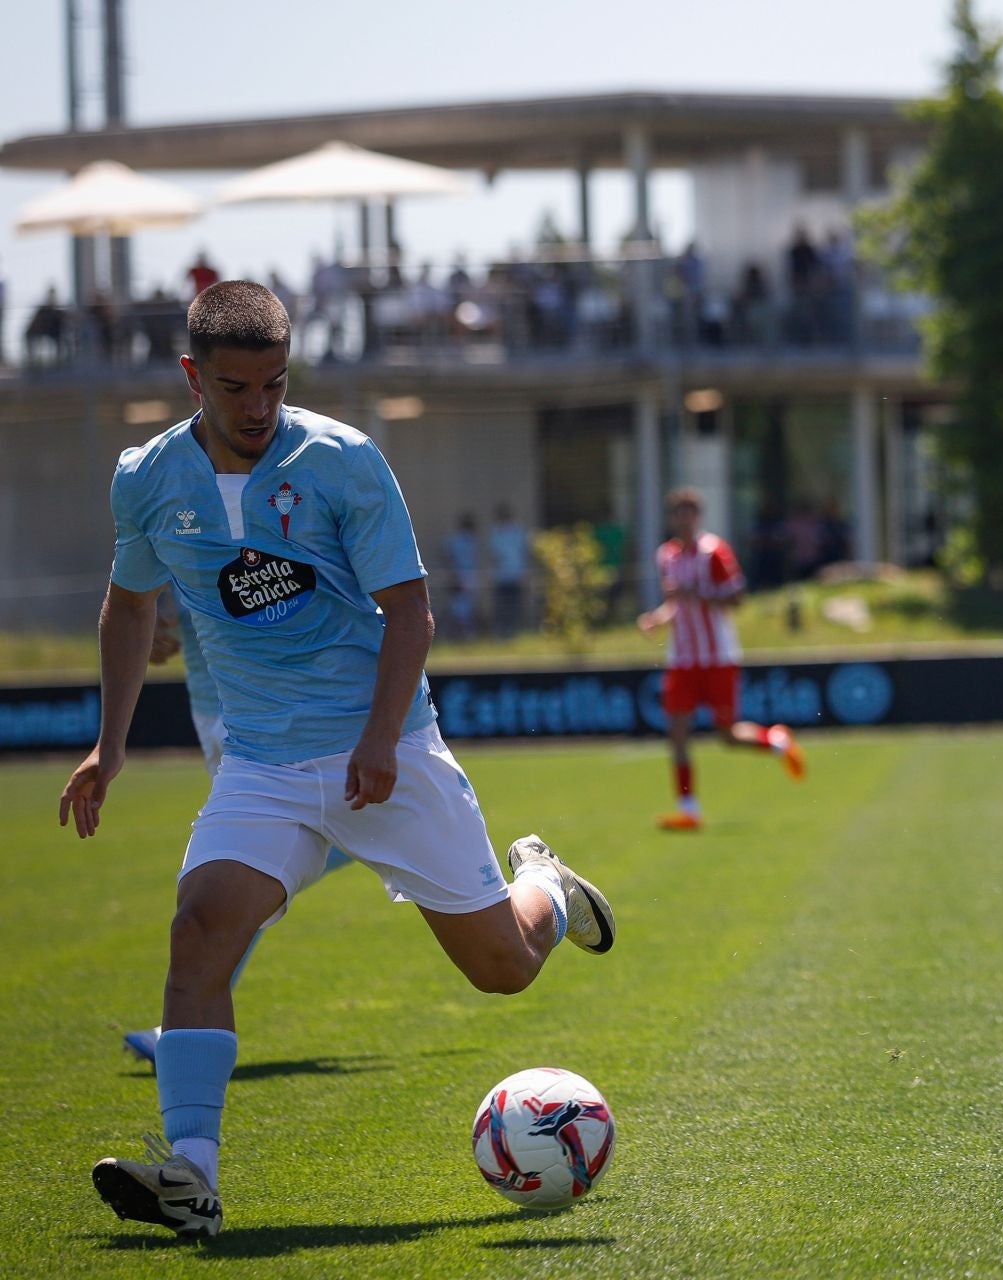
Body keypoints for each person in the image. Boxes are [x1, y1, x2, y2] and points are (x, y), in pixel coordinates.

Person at [60, 281, 615, 1239]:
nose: (258, 406)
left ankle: (546, 889)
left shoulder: (342, 460)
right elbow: (130, 604)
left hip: (386, 749)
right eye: (235, 387)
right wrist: (109, 747)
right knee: (199, 933)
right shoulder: (146, 478)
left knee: (504, 970)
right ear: (193, 376)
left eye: (274, 384)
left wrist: (379, 738)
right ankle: (192, 1176)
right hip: (263, 767)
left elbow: (411, 613)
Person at [120, 593, 354, 1064]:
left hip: (263, 713)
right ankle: (185, 1024)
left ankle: (184, 1025)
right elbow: (148, 615)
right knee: (249, 873)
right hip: (231, 718)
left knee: (253, 872)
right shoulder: (173, 545)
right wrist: (153, 621)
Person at [637, 487, 806, 831]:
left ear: (697, 517)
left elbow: (736, 598)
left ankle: (777, 742)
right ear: (672, 518)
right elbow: (676, 604)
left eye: (689, 513)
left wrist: (694, 594)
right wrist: (657, 618)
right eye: (678, 513)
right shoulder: (666, 555)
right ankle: (689, 809)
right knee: (677, 733)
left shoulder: (713, 552)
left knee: (726, 735)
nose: (684, 519)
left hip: (718, 656)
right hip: (682, 659)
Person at [488, 503, 531, 636]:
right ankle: (503, 631)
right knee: (502, 606)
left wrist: (525, 571)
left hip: (516, 574)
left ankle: (515, 631)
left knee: (515, 605)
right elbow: (494, 555)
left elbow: (524, 552)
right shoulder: (496, 532)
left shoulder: (517, 531)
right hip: (502, 576)